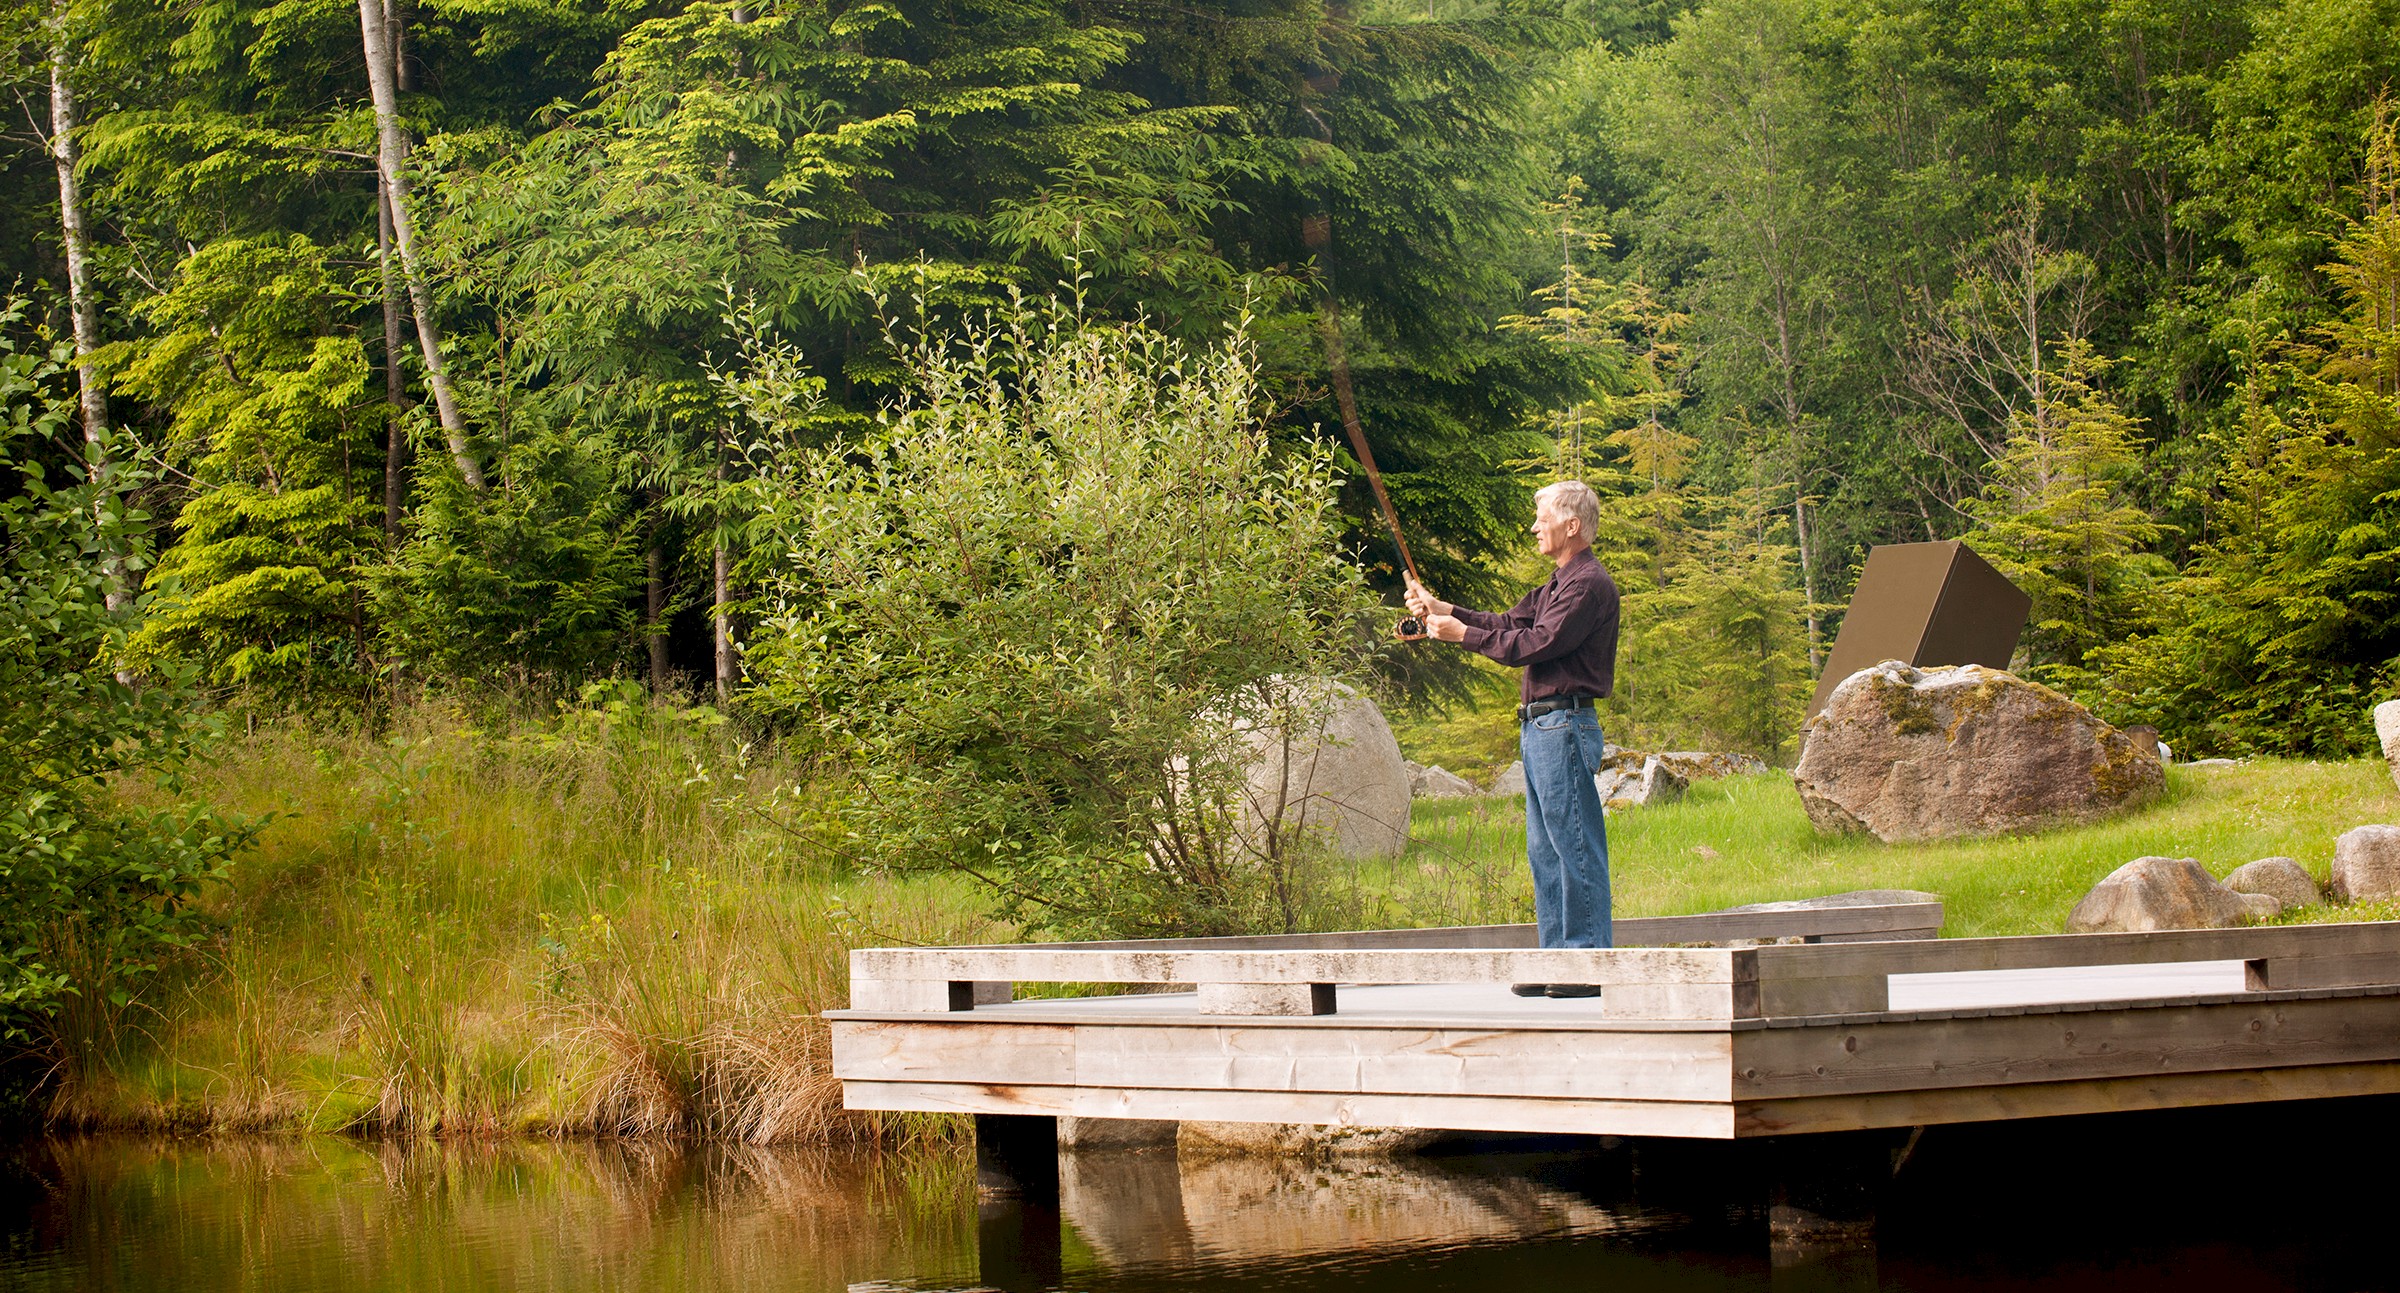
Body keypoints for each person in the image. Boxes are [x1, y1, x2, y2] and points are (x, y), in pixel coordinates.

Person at [1404, 480, 1620, 999]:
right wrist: (1444, 609)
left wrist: (1462, 636)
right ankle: (1557, 959)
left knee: (1575, 846)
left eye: (1541, 517)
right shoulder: (1558, 583)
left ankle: (1586, 962)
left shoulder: (1588, 584)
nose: (1533, 527)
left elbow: (1537, 643)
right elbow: (1507, 622)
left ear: (1572, 525)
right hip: (1542, 725)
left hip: (1564, 724)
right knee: (1544, 849)